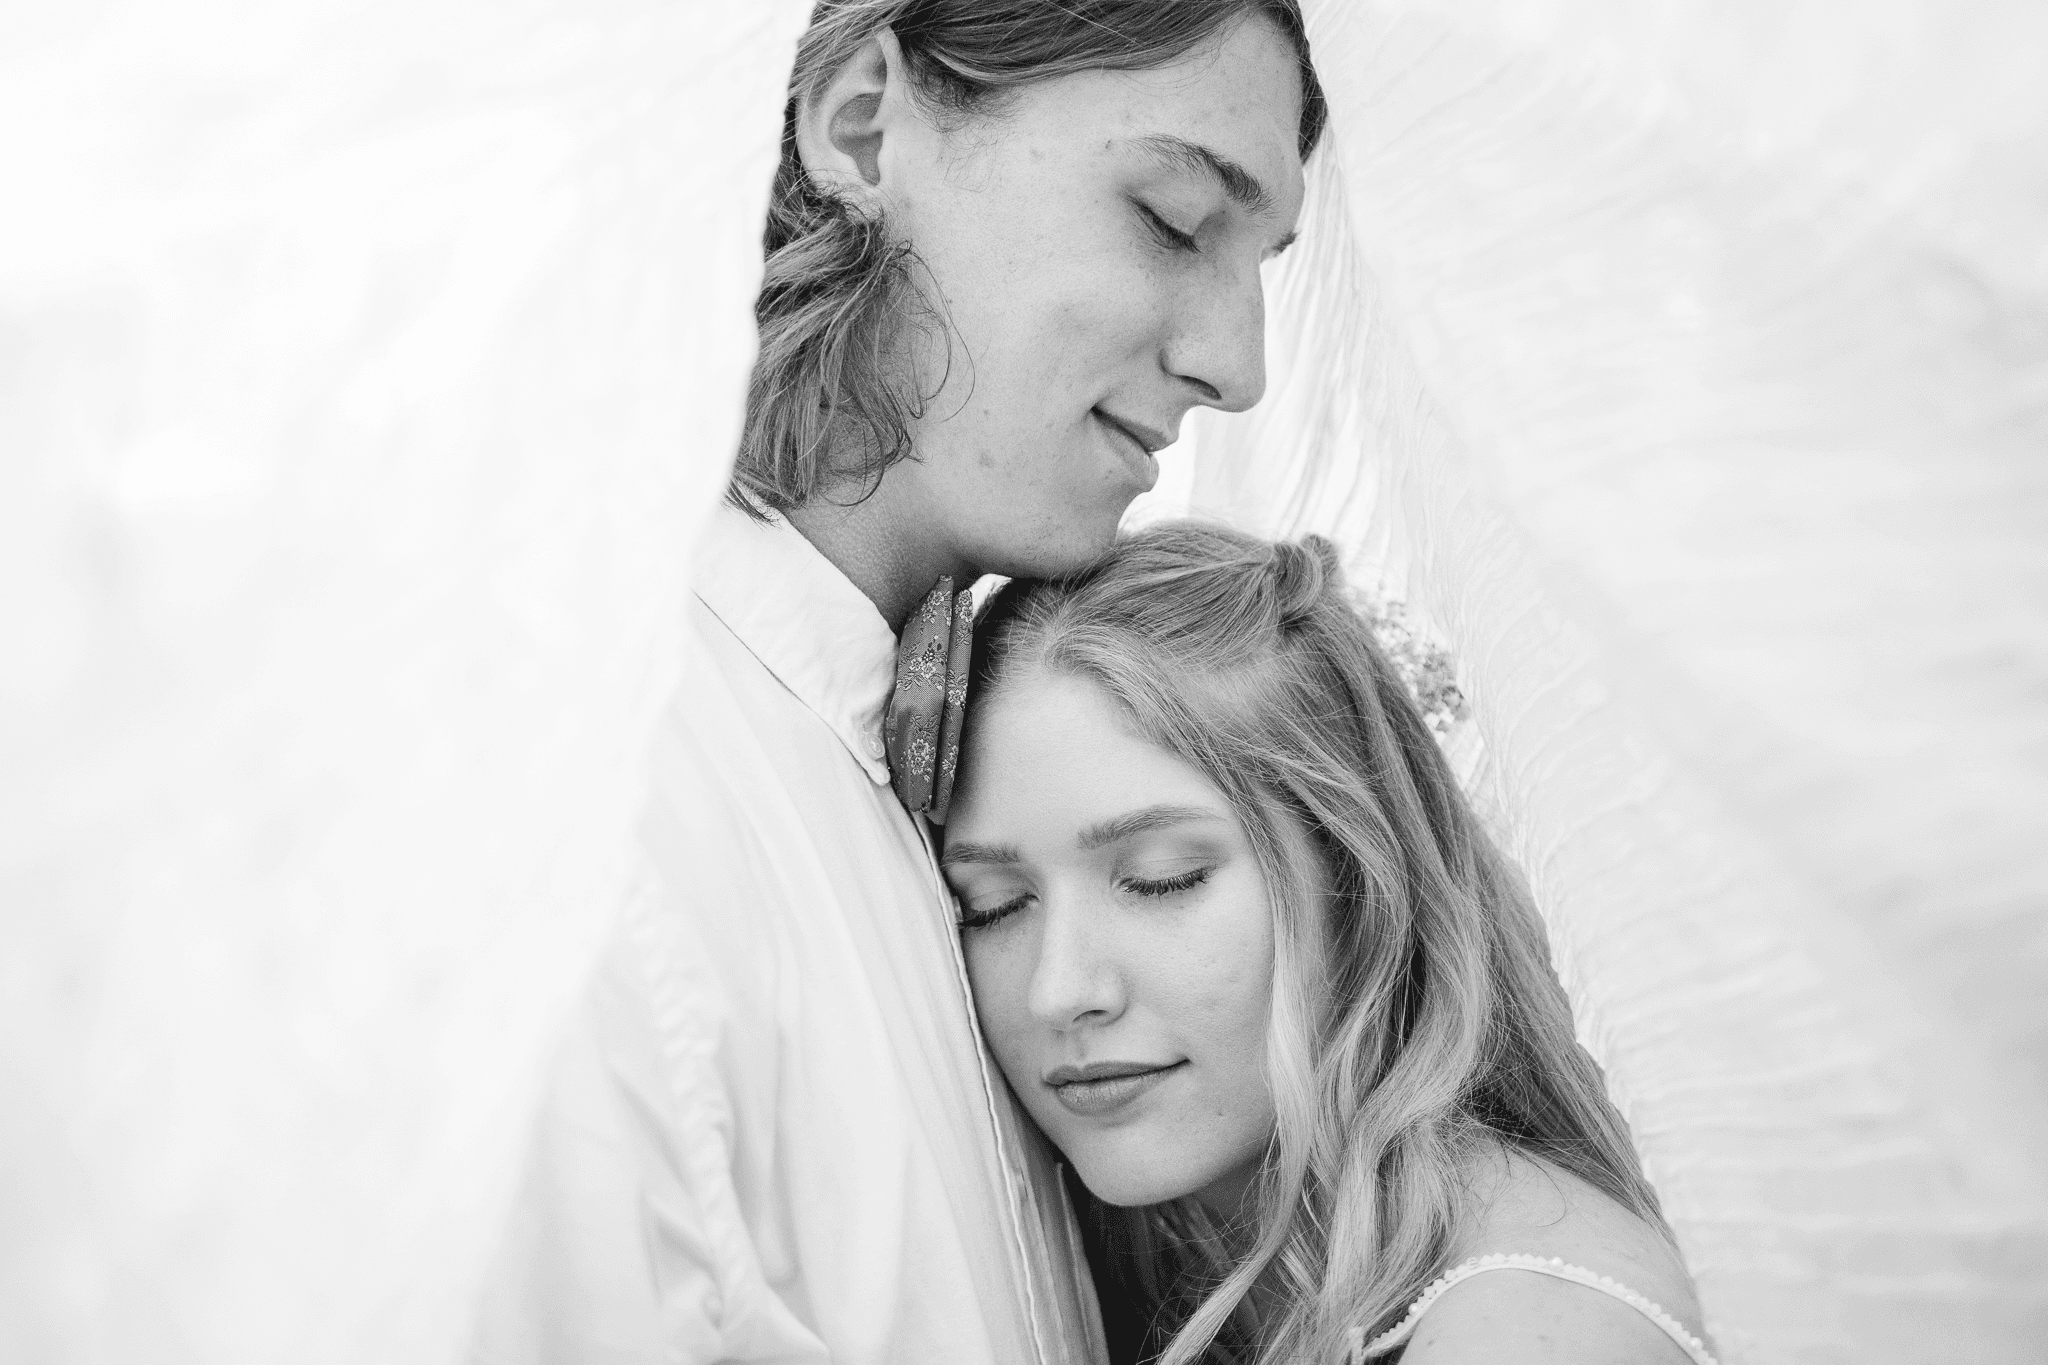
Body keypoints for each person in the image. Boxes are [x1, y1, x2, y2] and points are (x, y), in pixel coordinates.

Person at [469, 5, 1323, 1363]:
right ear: (864, 126)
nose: (1239, 364)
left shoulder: (951, 764)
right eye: (1171, 217)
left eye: (1263, 262)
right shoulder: (583, 834)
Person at [942, 524, 1718, 1364]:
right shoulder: (1224, 1273)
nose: (1058, 989)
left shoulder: (1527, 1327)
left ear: (1361, 879)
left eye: (1162, 878)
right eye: (992, 905)